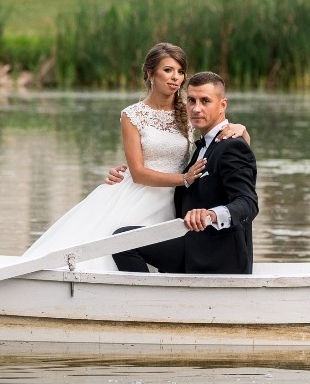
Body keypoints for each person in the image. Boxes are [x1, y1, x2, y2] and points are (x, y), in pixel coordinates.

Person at [24, 44, 248, 271]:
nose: (176, 78)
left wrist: (241, 129)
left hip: (176, 200)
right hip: (142, 194)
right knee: (116, 245)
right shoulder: (132, 115)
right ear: (151, 74)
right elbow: (139, 171)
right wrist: (184, 179)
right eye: (168, 70)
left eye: (180, 72)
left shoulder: (189, 110)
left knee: (160, 250)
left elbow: (218, 138)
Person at [112, 71, 258, 276]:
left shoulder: (232, 146)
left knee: (121, 241)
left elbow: (248, 203)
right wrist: (126, 172)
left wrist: (212, 214)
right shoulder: (203, 146)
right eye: (191, 100)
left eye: (205, 101)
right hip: (194, 244)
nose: (196, 108)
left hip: (216, 253)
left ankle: (144, 304)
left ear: (222, 105)